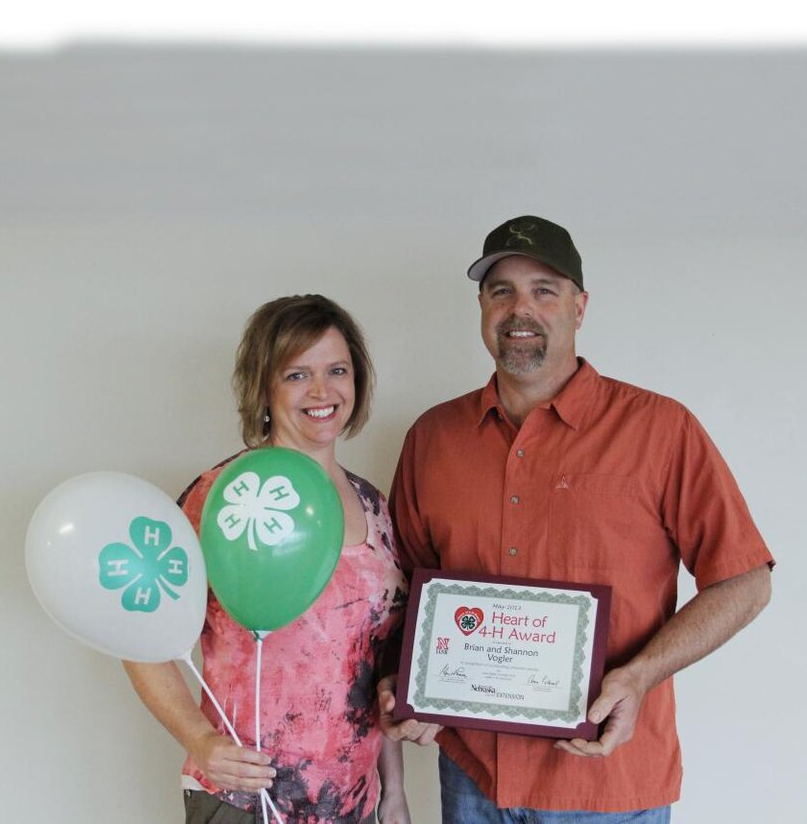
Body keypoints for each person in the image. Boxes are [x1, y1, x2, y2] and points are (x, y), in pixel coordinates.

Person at [378, 216, 774, 823]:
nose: (520, 310)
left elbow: (745, 580)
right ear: (481, 305)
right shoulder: (433, 438)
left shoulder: (660, 430)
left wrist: (640, 676)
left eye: (545, 290)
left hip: (606, 784)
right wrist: (400, 684)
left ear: (580, 307)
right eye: (501, 290)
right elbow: (400, 594)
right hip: (473, 779)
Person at [125, 294, 410, 824]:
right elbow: (138, 634)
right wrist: (200, 740)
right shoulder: (223, 497)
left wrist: (393, 792)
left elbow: (378, 665)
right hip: (246, 804)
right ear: (264, 388)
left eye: (337, 370)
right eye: (297, 375)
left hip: (355, 803)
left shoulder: (376, 507)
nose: (322, 391)